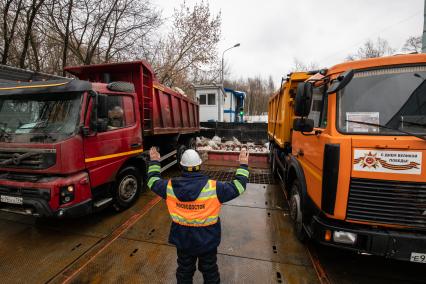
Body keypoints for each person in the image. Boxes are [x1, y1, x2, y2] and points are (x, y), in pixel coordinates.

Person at [147, 147, 250, 284]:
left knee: (184, 271)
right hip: (207, 240)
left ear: (181, 166)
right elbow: (239, 186)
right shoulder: (214, 188)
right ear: (199, 165)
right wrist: (243, 164)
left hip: (183, 240)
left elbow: (152, 181)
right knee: (210, 271)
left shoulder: (169, 187)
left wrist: (154, 162)